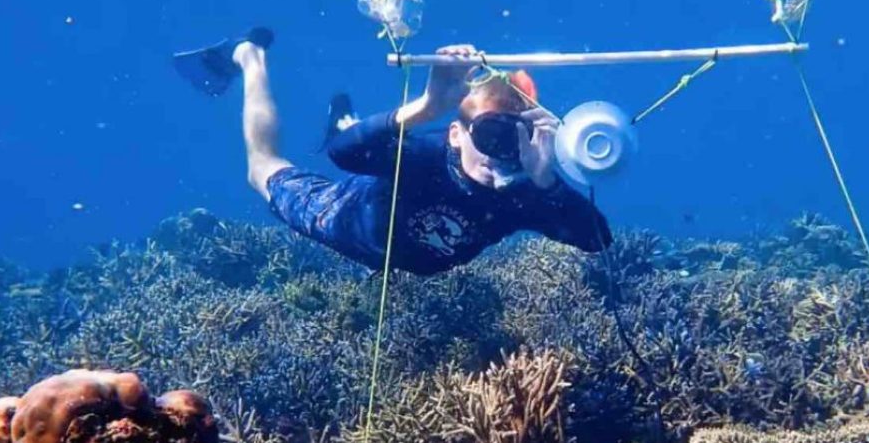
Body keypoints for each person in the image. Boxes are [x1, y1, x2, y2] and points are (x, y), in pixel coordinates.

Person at [173, 28, 612, 275]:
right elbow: (343, 156)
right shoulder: (426, 156)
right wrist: (426, 108)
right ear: (455, 134)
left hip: (398, 241)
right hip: (342, 219)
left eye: (514, 138)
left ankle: (345, 116)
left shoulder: (523, 195)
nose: (500, 153)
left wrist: (546, 181)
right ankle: (250, 57)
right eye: (490, 134)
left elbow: (596, 240)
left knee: (360, 139)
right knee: (262, 168)